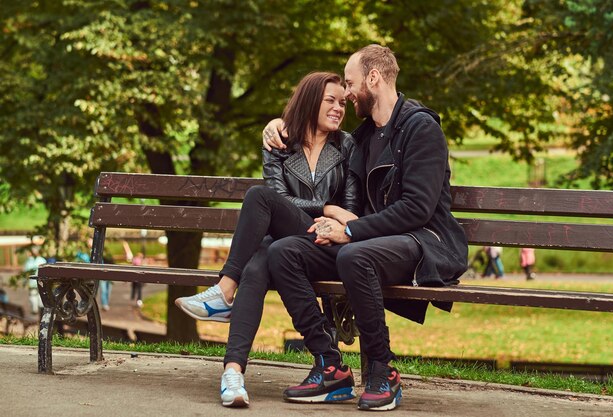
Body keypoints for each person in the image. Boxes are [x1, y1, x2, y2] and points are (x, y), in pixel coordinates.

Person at [263, 44, 468, 411]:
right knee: (284, 252)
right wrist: (279, 125)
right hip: (369, 242)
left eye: (351, 82)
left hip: (422, 242)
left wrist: (351, 232)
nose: (346, 93)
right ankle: (330, 366)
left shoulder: (421, 129)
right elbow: (312, 135)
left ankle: (381, 369)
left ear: (373, 78)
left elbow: (417, 210)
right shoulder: (363, 137)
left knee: (356, 256)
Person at [175, 72, 360, 407]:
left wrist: (331, 213)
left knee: (258, 199)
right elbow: (279, 200)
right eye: (330, 100)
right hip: (287, 241)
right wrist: (326, 206)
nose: (338, 108)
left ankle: (224, 291)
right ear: (310, 100)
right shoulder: (279, 142)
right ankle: (232, 374)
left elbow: (347, 209)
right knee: (259, 260)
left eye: (343, 103)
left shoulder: (347, 145)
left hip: (329, 244)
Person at [23, 246, 47, 315]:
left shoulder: (28, 261)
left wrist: (25, 282)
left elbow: (25, 273)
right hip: (41, 282)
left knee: (33, 295)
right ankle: (41, 308)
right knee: (40, 295)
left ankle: (35, 309)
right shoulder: (42, 260)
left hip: (32, 283)